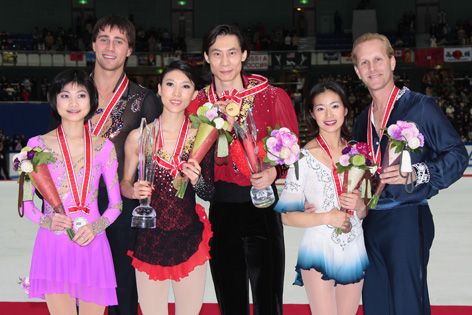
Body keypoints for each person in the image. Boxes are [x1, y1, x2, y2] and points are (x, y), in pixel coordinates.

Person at [351, 32, 468, 315]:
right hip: (371, 224)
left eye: (378, 59)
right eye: (364, 63)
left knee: (406, 304)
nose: (372, 68)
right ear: (357, 71)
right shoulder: (360, 121)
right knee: (376, 303)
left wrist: (418, 173)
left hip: (407, 217)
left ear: (392, 62)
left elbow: (457, 155)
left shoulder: (420, 107)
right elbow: (366, 173)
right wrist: (358, 203)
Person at [187, 24, 298, 315]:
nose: (225, 62)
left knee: (268, 298)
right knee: (230, 299)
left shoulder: (271, 96)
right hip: (222, 210)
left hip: (263, 206)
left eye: (232, 53)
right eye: (217, 54)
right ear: (207, 58)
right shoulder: (198, 105)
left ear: (244, 55)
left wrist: (276, 172)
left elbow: (291, 149)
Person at [21, 69, 122, 314]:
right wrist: (47, 221)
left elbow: (116, 205)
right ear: (54, 100)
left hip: (92, 242)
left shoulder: (104, 147)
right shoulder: (37, 145)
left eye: (81, 95)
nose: (73, 103)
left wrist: (95, 227)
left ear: (91, 101)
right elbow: (25, 203)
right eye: (65, 95)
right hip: (53, 244)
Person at [120, 60, 213, 315]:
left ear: (194, 94)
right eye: (170, 84)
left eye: (185, 87)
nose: (176, 93)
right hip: (149, 239)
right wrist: (133, 190)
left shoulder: (201, 137)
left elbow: (209, 193)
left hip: (189, 239)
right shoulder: (139, 137)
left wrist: (197, 181)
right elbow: (124, 184)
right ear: (159, 89)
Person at [90, 16, 162, 315]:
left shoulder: (145, 99)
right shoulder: (71, 92)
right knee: (80, 288)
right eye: (104, 39)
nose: (110, 47)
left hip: (123, 203)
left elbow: (152, 159)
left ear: (129, 49)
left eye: (119, 41)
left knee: (123, 289)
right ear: (93, 45)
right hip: (77, 203)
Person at [278, 81, 368, 315]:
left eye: (335, 106)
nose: (328, 114)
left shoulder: (359, 153)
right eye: (320, 108)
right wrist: (326, 217)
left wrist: (360, 205)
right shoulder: (303, 158)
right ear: (312, 114)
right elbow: (287, 217)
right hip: (318, 249)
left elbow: (365, 209)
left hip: (354, 247)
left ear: (346, 110)